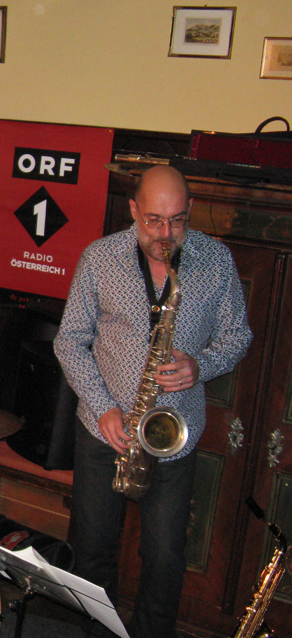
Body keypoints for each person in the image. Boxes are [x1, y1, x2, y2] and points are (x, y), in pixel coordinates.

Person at [54, 165, 252, 638]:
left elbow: (237, 336)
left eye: (178, 220)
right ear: (133, 210)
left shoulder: (215, 260)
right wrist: (103, 406)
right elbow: (69, 341)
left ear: (190, 211)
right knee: (93, 553)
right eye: (154, 221)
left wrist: (200, 366)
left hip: (172, 435)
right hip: (105, 429)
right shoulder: (100, 258)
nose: (166, 234)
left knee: (164, 559)